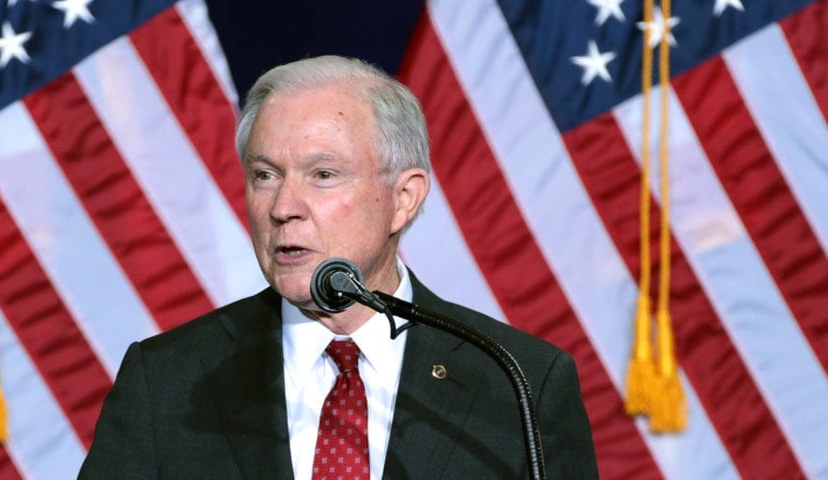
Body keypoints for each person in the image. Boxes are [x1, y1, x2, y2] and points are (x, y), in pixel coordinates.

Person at [79, 55, 598, 479]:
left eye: (323, 174)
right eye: (264, 175)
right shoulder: (167, 380)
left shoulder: (517, 380)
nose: (283, 206)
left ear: (404, 198)